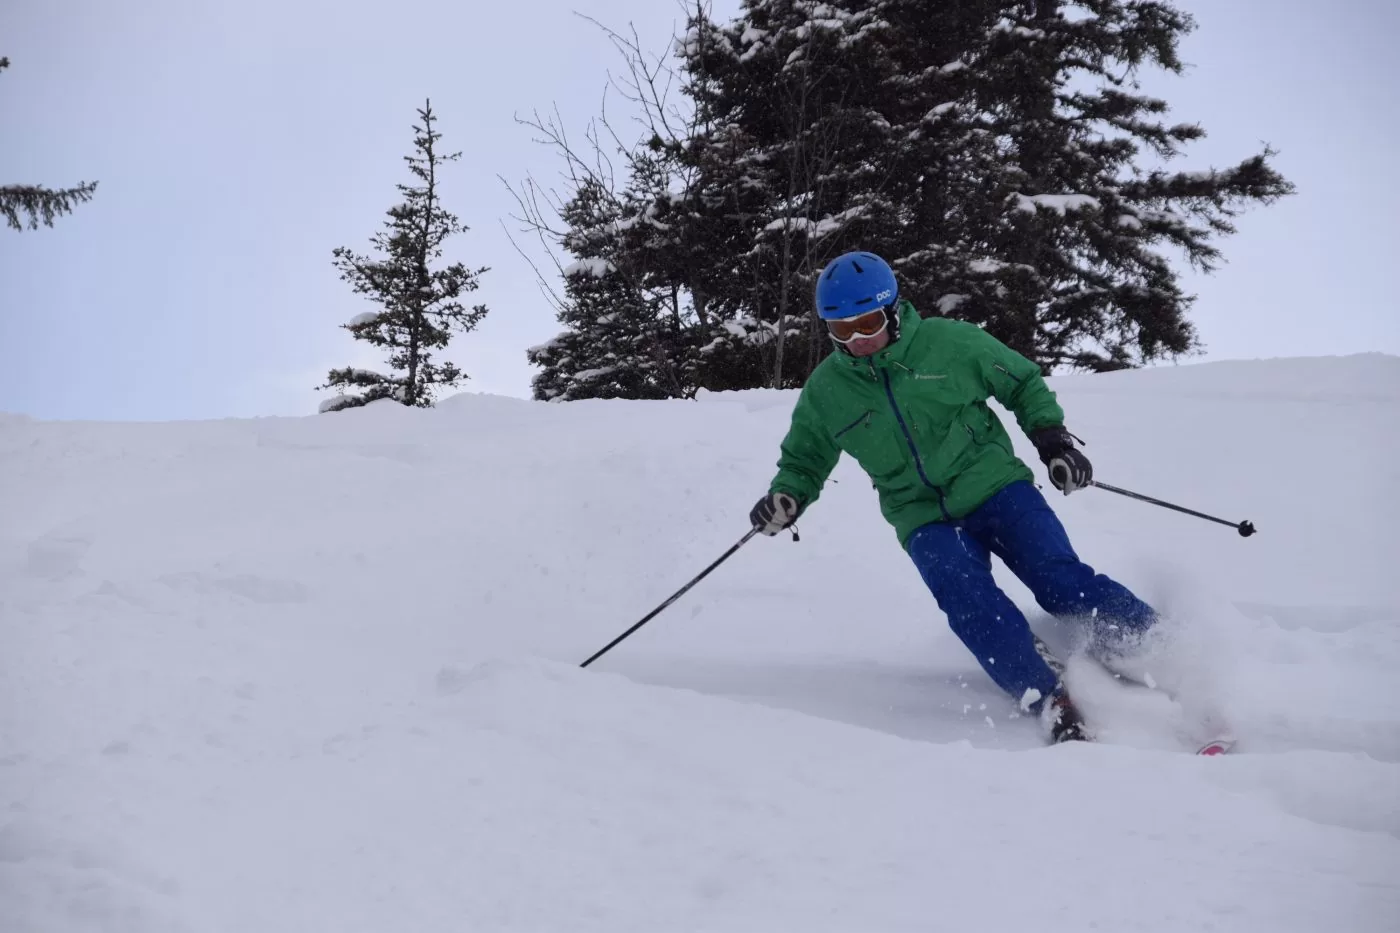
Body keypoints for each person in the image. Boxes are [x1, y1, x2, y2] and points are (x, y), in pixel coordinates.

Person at [749, 251, 1159, 743]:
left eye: (867, 323)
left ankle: (1158, 646)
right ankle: (1047, 695)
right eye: (842, 331)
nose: (858, 340)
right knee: (968, 602)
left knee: (1058, 580)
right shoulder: (828, 391)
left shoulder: (951, 344)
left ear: (893, 310)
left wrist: (1052, 441)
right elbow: (804, 459)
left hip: (996, 488)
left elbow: (1022, 382)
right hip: (923, 518)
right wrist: (787, 497)